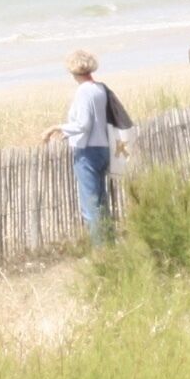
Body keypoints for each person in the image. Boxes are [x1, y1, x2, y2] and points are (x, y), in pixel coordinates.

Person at [44, 51, 128, 242]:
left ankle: (100, 250)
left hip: (88, 152)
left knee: (90, 204)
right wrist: (67, 134)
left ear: (73, 71)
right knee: (101, 200)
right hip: (104, 148)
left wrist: (56, 128)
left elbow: (84, 124)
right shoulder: (99, 88)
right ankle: (109, 241)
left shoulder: (83, 91)